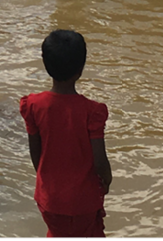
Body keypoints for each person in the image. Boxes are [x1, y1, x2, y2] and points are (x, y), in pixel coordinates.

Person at [21, 30, 112, 238]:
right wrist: (107, 179)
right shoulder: (92, 111)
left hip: (49, 199)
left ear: (46, 65)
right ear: (81, 69)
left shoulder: (34, 105)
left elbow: (35, 152)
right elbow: (99, 161)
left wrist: (46, 180)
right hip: (84, 201)